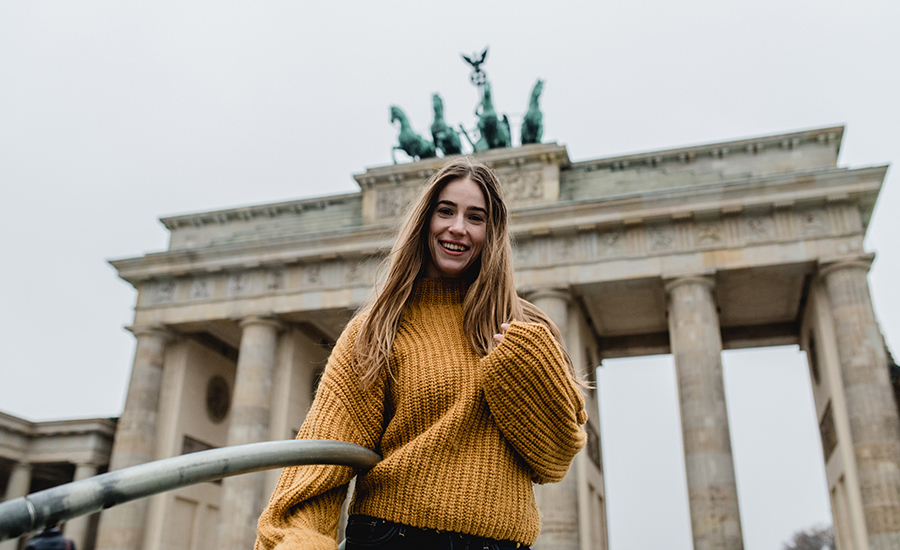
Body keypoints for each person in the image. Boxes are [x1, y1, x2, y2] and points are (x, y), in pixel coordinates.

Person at [255, 158, 588, 550]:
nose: (457, 228)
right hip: (393, 537)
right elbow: (325, 453)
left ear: (492, 232)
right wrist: (300, 541)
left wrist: (520, 367)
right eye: (445, 211)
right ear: (424, 220)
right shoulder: (378, 329)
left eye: (475, 217)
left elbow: (555, 457)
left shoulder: (526, 328)